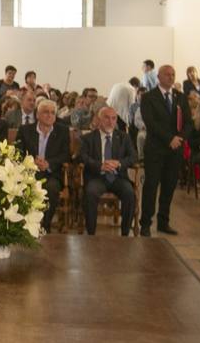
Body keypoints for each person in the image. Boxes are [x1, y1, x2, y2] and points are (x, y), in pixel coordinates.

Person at [139, 65, 186, 236]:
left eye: (173, 74)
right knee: (151, 186)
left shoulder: (180, 97)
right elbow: (151, 123)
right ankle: (145, 223)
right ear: (158, 76)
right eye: (167, 74)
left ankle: (163, 221)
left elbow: (187, 122)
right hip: (156, 148)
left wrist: (179, 138)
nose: (171, 77)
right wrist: (169, 139)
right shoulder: (148, 97)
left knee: (169, 186)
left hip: (175, 150)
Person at [80, 106, 137, 236]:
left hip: (118, 177)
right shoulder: (88, 138)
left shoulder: (124, 137)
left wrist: (119, 163)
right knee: (90, 192)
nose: (110, 121)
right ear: (99, 119)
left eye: (113, 118)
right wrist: (100, 165)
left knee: (129, 193)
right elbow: (82, 157)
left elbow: (134, 156)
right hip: (97, 177)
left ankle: (125, 233)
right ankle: (91, 233)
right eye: (106, 118)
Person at [16, 99, 71, 231]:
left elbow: (66, 155)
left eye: (53, 113)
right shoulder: (25, 130)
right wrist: (31, 162)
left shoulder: (62, 131)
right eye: (46, 112)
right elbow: (18, 152)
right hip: (29, 172)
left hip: (51, 173)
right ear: (37, 114)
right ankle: (26, 224)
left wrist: (48, 163)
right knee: (24, 186)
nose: (49, 115)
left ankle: (45, 225)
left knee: (52, 188)